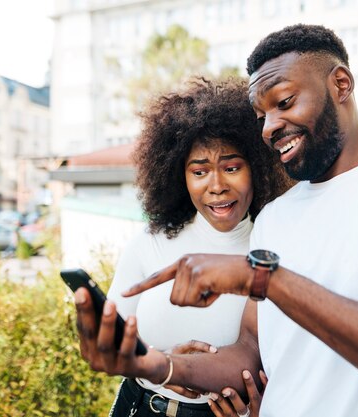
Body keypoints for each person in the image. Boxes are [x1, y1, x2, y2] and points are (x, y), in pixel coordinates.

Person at [76, 25, 358, 417]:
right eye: (261, 114)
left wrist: (268, 280)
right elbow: (248, 353)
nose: (269, 127)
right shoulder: (276, 220)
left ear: (341, 84)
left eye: (284, 102)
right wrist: (154, 364)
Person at [77, 77, 290, 417]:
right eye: (199, 171)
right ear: (180, 176)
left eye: (232, 168)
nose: (217, 186)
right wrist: (161, 365)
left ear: (259, 168)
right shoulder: (152, 242)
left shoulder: (274, 248)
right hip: (140, 407)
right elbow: (113, 347)